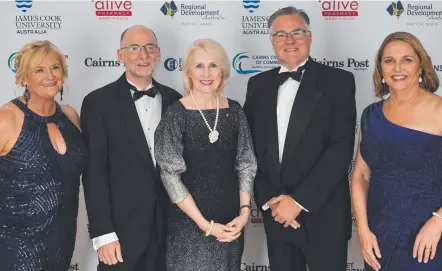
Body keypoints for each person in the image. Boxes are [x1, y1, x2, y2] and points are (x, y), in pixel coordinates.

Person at [243, 6, 357, 271]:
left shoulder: (339, 81)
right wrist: (272, 201)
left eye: (297, 32)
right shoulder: (257, 85)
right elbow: (249, 150)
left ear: (310, 36)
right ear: (272, 41)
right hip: (277, 216)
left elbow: (340, 150)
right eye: (281, 35)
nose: (289, 40)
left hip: (323, 215)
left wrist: (297, 202)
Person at [80, 25, 181, 271]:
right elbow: (94, 174)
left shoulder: (176, 100)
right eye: (134, 48)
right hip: (120, 235)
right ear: (120, 54)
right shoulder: (97, 103)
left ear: (158, 53)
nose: (143, 55)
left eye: (149, 48)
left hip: (169, 231)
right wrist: (103, 233)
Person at [154, 38, 257, 271]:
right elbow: (170, 176)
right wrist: (205, 225)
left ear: (223, 70)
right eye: (199, 66)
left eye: (213, 65)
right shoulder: (175, 115)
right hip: (190, 226)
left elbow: (246, 164)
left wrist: (243, 213)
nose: (206, 73)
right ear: (188, 71)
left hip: (231, 224)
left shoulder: (235, 111)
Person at [352, 31, 442, 271]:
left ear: (421, 66)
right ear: (381, 69)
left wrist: (439, 222)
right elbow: (360, 175)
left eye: (407, 60)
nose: (397, 67)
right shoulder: (370, 115)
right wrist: (363, 231)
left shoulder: (440, 110)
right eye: (389, 60)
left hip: (430, 238)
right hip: (379, 237)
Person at [0, 40, 86, 270]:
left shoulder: (70, 116)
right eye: (39, 69)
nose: (50, 75)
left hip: (62, 245)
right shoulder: (6, 119)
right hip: (14, 250)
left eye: (55, 68)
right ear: (24, 78)